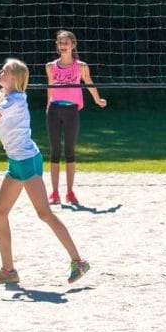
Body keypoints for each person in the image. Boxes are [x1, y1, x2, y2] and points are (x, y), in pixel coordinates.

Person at [0, 57, 91, 285]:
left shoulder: (14, 101)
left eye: (4, 71)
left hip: (26, 161)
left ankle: (78, 261)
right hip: (17, 161)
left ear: (14, 78)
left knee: (44, 214)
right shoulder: (9, 97)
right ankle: (8, 270)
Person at [42, 30, 108, 205]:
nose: (63, 46)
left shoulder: (81, 66)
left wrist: (97, 99)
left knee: (70, 151)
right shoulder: (50, 66)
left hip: (72, 111)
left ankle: (70, 192)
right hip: (54, 110)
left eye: (66, 43)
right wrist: (48, 105)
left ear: (72, 45)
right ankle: (54, 193)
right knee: (55, 152)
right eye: (60, 43)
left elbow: (89, 83)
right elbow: (50, 87)